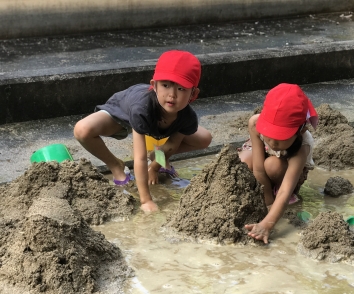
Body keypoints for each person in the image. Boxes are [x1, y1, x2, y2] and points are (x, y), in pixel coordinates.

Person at [74, 50, 212, 212]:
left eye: (181, 89)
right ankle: (116, 165)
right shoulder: (142, 109)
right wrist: (146, 200)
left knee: (204, 138)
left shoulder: (187, 117)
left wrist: (154, 167)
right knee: (82, 130)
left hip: (160, 127)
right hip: (122, 115)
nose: (172, 95)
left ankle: (155, 155)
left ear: (193, 94)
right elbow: (138, 158)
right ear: (154, 86)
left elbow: (171, 146)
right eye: (165, 85)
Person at [239, 83, 318, 244]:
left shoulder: (303, 144)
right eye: (268, 135)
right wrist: (267, 202)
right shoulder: (255, 123)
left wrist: (268, 223)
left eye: (281, 137)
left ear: (300, 130)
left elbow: (285, 192)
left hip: (286, 172)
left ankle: (277, 196)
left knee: (272, 166)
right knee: (242, 163)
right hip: (263, 157)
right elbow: (259, 169)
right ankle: (267, 194)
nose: (273, 142)